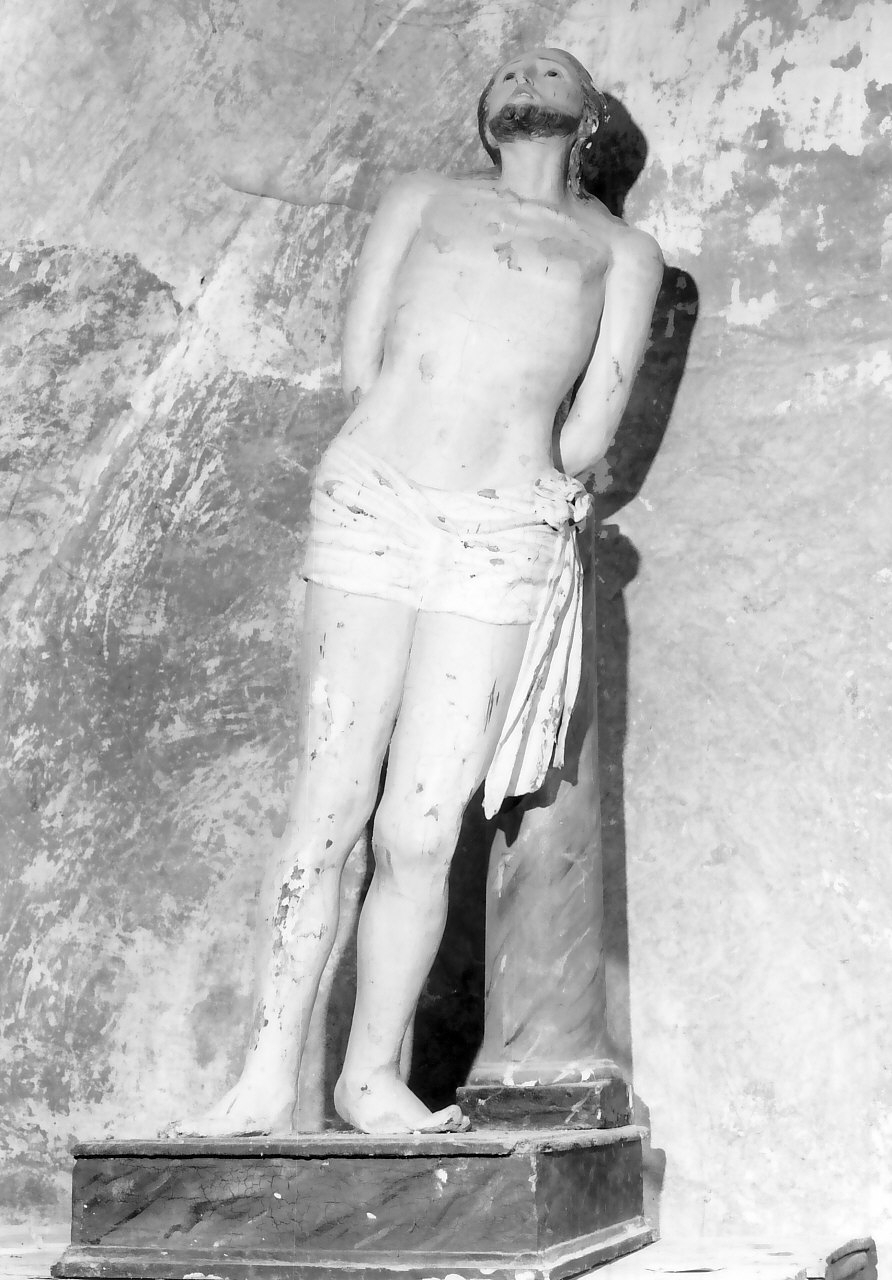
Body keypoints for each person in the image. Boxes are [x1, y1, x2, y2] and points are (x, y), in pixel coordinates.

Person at [168, 46, 663, 1137]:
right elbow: (362, 359)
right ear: (486, 113)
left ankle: (369, 1076)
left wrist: (511, 478)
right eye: (508, 72)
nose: (524, 78)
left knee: (423, 827)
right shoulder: (421, 200)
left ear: (588, 118)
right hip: (376, 502)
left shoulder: (621, 252)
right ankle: (264, 1076)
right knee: (327, 803)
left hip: (499, 532)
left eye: (551, 70)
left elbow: (592, 425)